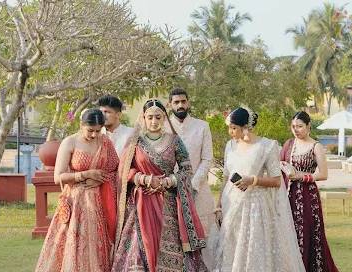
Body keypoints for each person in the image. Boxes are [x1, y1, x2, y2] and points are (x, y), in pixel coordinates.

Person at [112, 99, 208, 272]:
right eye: (150, 117)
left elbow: (186, 169)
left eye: (158, 117)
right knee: (142, 244)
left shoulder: (174, 141)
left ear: (164, 118)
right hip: (141, 202)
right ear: (143, 118)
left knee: (170, 244)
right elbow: (124, 170)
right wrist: (144, 179)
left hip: (168, 201)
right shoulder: (135, 143)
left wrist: (168, 181)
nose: (154, 121)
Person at [210, 107, 305, 272]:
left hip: (255, 209)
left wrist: (252, 180)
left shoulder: (266, 146)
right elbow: (226, 178)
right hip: (231, 205)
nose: (230, 131)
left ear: (245, 127)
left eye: (233, 128)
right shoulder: (229, 146)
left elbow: (276, 181)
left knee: (251, 252)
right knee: (230, 251)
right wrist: (219, 206)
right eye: (229, 127)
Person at [35, 109, 119, 272]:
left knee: (97, 244)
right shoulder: (70, 142)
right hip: (76, 202)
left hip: (100, 202)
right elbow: (58, 177)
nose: (94, 135)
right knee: (74, 244)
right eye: (90, 130)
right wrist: (85, 174)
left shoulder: (106, 143)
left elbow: (115, 170)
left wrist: (101, 179)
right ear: (81, 125)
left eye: (98, 130)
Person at [280, 111, 338, 272]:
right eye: (293, 126)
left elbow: (323, 174)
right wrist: (285, 169)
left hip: (308, 197)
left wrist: (300, 176)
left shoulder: (316, 146)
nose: (296, 130)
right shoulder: (289, 144)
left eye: (299, 126)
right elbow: (279, 165)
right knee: (289, 234)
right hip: (288, 196)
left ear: (308, 126)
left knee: (308, 233)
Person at [167, 87, 215, 237]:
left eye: (183, 101)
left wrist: (193, 186)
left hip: (198, 190)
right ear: (170, 105)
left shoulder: (202, 126)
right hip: (170, 191)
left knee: (202, 235)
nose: (180, 105)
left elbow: (207, 158)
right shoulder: (163, 127)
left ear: (188, 103)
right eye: (176, 102)